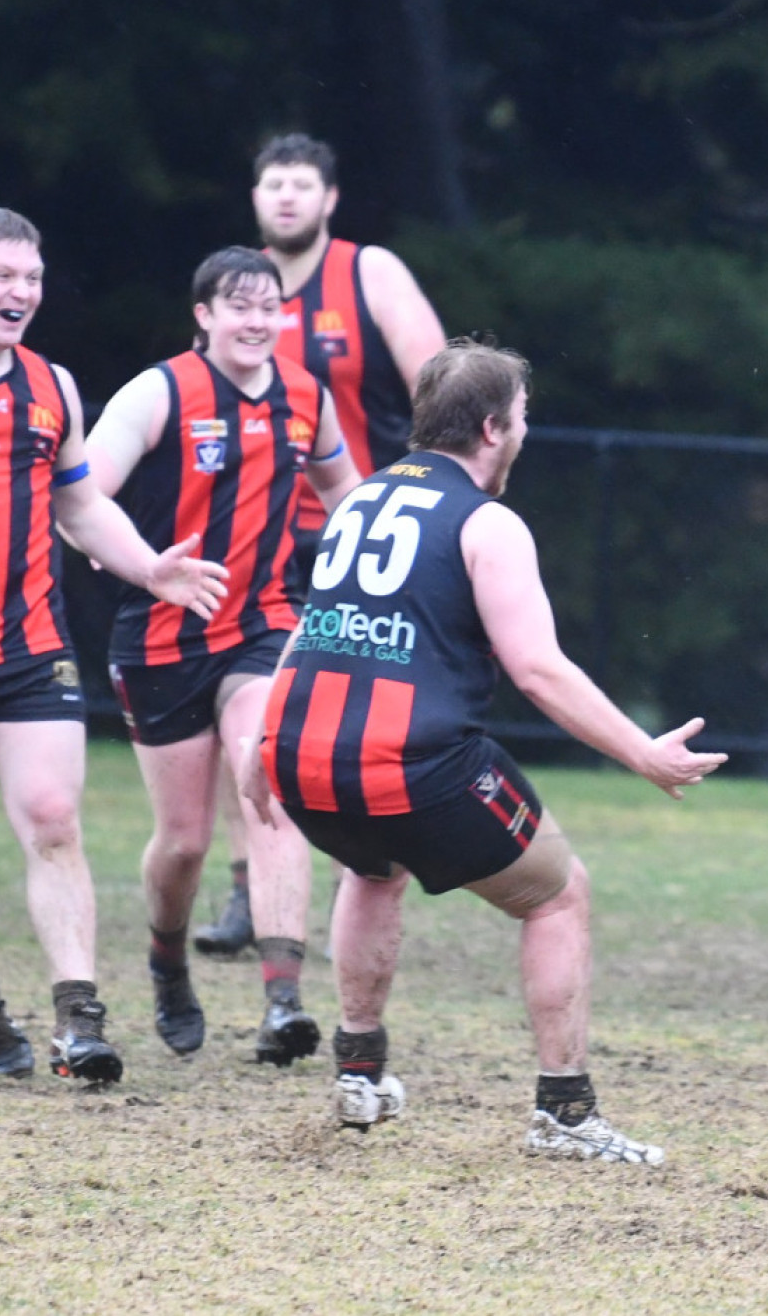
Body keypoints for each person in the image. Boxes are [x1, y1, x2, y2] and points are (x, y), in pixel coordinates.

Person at [240, 339, 725, 1161]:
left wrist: (260, 739)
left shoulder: (358, 499)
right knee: (558, 893)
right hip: (407, 759)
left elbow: (312, 625)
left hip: (302, 751)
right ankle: (565, 1114)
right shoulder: (486, 521)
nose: (526, 433)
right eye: (524, 418)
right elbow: (537, 668)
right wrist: (642, 752)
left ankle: (360, 1073)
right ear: (494, 426)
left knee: (371, 868)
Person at [0, 206, 226, 1084]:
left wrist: (149, 569)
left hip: (31, 647)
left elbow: (79, 503)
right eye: (4, 276)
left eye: (32, 277)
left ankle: (79, 1018)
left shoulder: (50, 385)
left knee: (55, 820)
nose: (23, 292)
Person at [85, 247, 361, 1064]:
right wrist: (146, 566)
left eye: (267, 305)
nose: (255, 320)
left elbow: (343, 491)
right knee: (184, 841)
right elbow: (82, 493)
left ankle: (283, 1001)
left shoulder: (306, 396)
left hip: (267, 624)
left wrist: (367, 565)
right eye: (237, 305)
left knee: (269, 780)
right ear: (202, 315)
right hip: (163, 635)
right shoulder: (160, 391)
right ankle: (167, 961)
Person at [193, 133, 450, 958]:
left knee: (354, 707)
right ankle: (248, 886)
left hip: (360, 533)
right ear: (255, 197)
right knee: (246, 706)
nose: (288, 198)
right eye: (273, 184)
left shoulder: (367, 273)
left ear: (331, 198)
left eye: (302, 184)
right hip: (254, 534)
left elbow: (442, 388)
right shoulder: (241, 292)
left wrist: (425, 501)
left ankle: (359, 860)